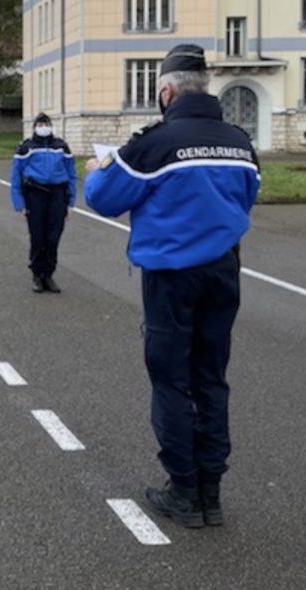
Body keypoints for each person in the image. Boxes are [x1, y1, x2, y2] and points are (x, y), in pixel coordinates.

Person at [83, 44, 260, 529]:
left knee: (171, 380)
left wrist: (96, 170)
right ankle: (211, 491)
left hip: (171, 278)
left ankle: (183, 490)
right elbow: (249, 197)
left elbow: (102, 198)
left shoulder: (156, 143)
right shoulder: (238, 141)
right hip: (223, 272)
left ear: (165, 91)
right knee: (211, 378)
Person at [11, 112, 77, 293]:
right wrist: (19, 204)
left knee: (53, 236)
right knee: (38, 236)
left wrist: (70, 203)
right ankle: (37, 274)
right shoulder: (26, 148)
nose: (43, 127)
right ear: (34, 127)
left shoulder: (61, 147)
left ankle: (48, 274)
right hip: (35, 195)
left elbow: (71, 175)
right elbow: (16, 177)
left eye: (46, 124)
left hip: (57, 194)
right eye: (40, 124)